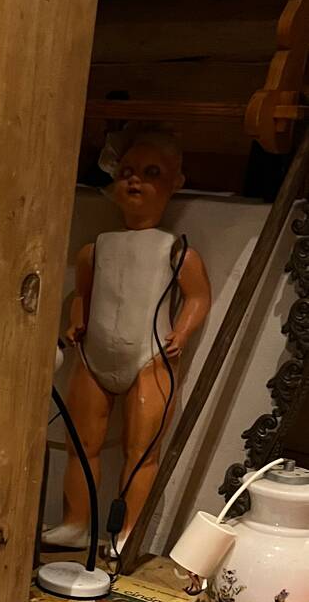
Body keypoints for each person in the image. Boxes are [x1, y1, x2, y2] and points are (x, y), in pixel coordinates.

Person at [43, 124, 212, 551]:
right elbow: (83, 295)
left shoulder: (177, 251)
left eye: (151, 172)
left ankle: (125, 533)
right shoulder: (95, 249)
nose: (136, 180)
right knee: (81, 443)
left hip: (150, 358)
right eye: (127, 172)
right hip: (94, 357)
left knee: (142, 452)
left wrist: (182, 331)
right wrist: (74, 322)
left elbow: (197, 296)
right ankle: (76, 522)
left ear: (175, 184)